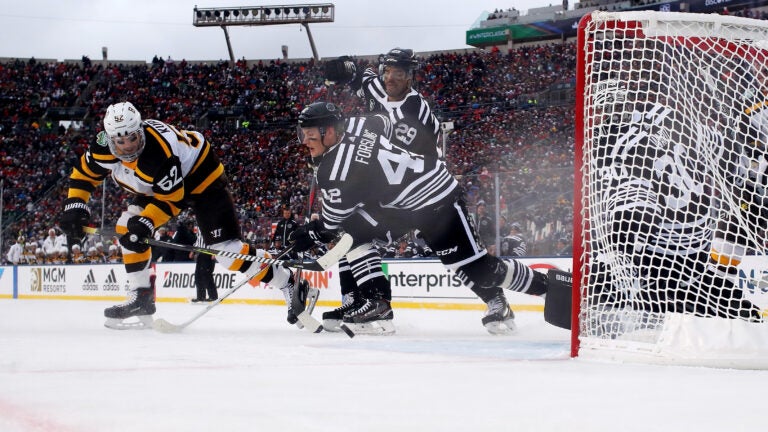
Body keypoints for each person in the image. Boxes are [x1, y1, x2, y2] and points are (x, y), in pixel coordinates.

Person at [289, 102, 550, 335]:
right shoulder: (359, 124)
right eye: (303, 134)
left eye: (311, 135)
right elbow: (384, 122)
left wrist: (309, 234)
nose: (305, 141)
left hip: (436, 199)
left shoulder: (334, 170)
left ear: (331, 132)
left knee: (476, 269)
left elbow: (329, 224)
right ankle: (375, 302)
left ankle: (546, 287)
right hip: (402, 206)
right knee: (353, 233)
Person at [59, 101, 307, 329]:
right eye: (120, 142)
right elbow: (83, 174)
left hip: (202, 178)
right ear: (110, 138)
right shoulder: (103, 145)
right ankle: (141, 297)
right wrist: (74, 205)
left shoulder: (157, 154)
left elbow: (172, 199)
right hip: (157, 185)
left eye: (133, 139)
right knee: (127, 227)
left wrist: (147, 222)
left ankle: (288, 280)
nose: (127, 147)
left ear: (139, 132)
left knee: (227, 253)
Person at [191, 224, 217, 303]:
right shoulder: (199, 226)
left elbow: (215, 240)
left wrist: (214, 252)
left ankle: (213, 296)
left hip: (208, 253)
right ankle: (201, 297)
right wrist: (193, 250)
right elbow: (198, 240)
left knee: (207, 275)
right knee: (198, 275)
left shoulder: (211, 225)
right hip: (200, 253)